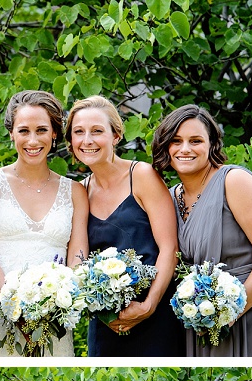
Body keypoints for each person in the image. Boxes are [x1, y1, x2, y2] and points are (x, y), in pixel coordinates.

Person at [151, 104, 252, 356]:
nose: (185, 149)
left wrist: (229, 311)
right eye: (176, 140)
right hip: (204, 320)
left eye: (196, 140)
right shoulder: (169, 198)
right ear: (165, 146)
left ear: (212, 145)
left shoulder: (234, 181)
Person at [0, 91, 89, 357]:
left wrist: (55, 306)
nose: (33, 140)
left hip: (53, 323)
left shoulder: (75, 191)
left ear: (55, 133)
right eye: (24, 130)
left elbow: (78, 258)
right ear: (11, 133)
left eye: (42, 130)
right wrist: (15, 309)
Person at [65, 96, 183, 356]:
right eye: (79, 132)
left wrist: (149, 304)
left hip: (156, 317)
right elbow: (78, 259)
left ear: (116, 136)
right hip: (107, 324)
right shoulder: (80, 192)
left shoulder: (141, 176)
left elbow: (170, 247)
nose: (87, 140)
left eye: (97, 131)